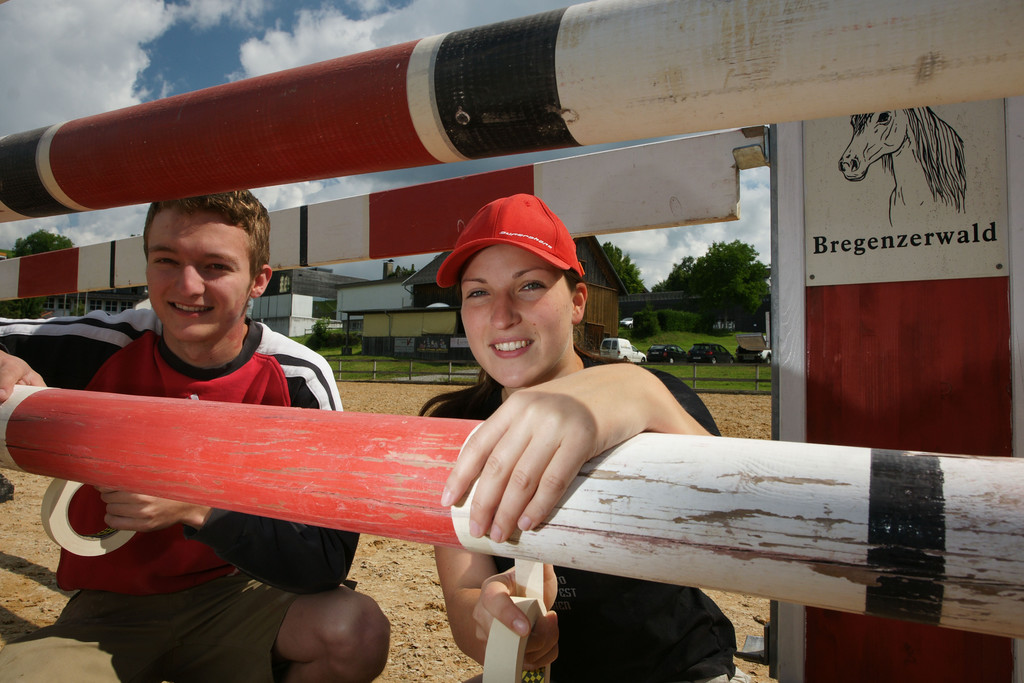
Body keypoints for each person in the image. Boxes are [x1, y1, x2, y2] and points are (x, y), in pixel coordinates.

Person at [0, 191, 389, 682]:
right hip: (109, 611)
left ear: (258, 281)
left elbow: (327, 558)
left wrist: (195, 506)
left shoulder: (299, 375)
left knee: (355, 629)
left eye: (215, 266)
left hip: (240, 596)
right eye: (167, 260)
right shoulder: (100, 342)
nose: (188, 286)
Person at [421, 194, 748, 682]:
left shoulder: (650, 398)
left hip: (675, 667)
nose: (502, 315)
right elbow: (464, 596)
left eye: (529, 286)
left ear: (577, 302)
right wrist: (493, 622)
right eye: (478, 292)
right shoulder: (458, 428)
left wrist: (641, 393)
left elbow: (741, 521)